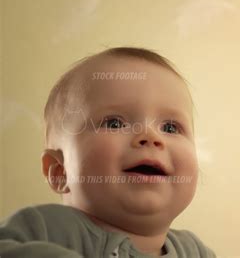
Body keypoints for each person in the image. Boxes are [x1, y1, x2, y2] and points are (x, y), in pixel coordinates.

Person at [0, 47, 216, 258]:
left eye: (170, 128)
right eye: (114, 123)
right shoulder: (45, 228)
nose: (150, 136)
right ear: (59, 171)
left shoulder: (196, 251)